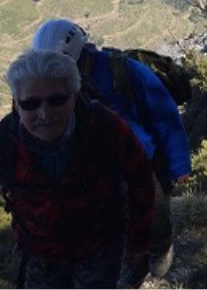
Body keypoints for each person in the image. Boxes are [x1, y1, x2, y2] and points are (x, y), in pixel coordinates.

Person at [0, 50, 155, 289]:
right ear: (16, 105)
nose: (44, 114)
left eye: (57, 100)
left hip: (99, 249)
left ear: (74, 97)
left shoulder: (103, 127)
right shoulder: (3, 141)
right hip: (40, 255)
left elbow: (141, 180)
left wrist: (138, 241)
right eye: (31, 104)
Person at [31, 18, 191, 282]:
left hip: (143, 163)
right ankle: (132, 266)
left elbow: (165, 114)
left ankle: (160, 247)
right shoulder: (59, 85)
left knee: (154, 216)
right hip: (97, 172)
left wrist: (179, 164)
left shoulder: (124, 71)